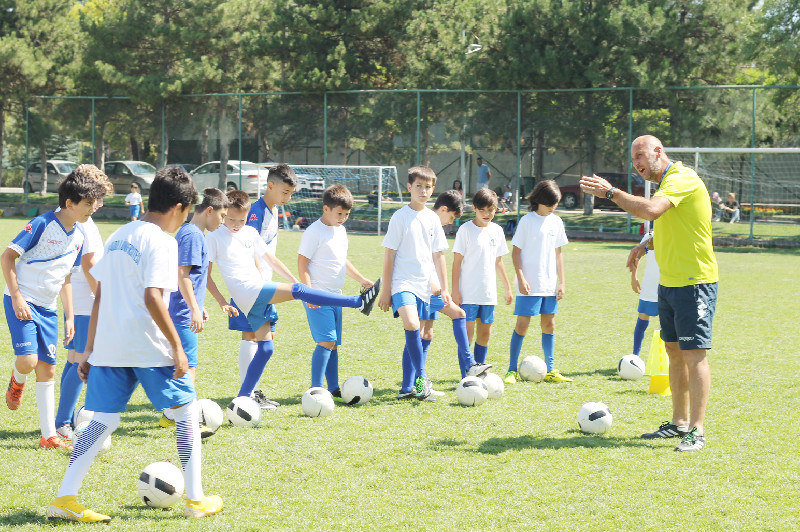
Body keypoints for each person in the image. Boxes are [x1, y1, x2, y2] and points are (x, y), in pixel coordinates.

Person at [47, 167, 223, 522]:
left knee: (102, 421)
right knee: (187, 415)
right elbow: (153, 296)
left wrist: (91, 349)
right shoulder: (162, 241)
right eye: (187, 213)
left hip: (110, 346)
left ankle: (65, 499)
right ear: (178, 207)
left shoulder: (118, 236)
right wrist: (176, 346)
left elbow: (100, 297)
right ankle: (196, 500)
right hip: (147, 346)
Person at [580, 134, 718, 452]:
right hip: (669, 283)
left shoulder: (681, 177)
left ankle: (697, 430)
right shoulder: (666, 183)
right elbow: (674, 225)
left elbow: (653, 211)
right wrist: (644, 245)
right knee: (673, 351)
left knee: (694, 355)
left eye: (641, 156)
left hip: (695, 282)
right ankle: (679, 422)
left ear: (658, 152)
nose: (637, 164)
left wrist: (611, 192)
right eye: (633, 160)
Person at [206, 190, 380, 404]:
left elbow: (271, 260)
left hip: (256, 290)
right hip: (246, 292)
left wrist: (293, 280)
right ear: (223, 214)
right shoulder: (214, 236)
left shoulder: (250, 233)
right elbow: (205, 274)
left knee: (267, 348)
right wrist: (222, 301)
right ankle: (358, 302)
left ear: (248, 215)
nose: (235, 223)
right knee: (298, 293)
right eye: (230, 218)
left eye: (241, 219)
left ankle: (243, 399)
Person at [3, 171, 105, 451]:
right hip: (22, 301)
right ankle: (17, 378)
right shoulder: (42, 223)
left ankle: (49, 435)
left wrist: (69, 316)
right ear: (70, 203)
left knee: (48, 369)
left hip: (47, 308)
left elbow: (67, 278)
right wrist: (17, 297)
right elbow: (7, 257)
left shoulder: (80, 234)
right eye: (88, 204)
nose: (92, 209)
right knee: (28, 361)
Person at [378, 168, 489, 401]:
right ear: (409, 187)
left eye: (427, 187)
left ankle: (461, 367)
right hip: (403, 283)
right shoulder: (399, 217)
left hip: (426, 287)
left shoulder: (431, 219)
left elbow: (439, 255)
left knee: (443, 322)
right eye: (418, 186)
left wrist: (445, 288)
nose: (423, 191)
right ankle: (420, 380)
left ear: (433, 190)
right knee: (412, 324)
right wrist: (386, 290)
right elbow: (389, 255)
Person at [160, 188, 231, 431]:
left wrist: (199, 306)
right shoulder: (192, 235)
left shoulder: (191, 233)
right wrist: (193, 309)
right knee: (188, 366)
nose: (222, 222)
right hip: (181, 313)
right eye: (222, 216)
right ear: (209, 210)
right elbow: (183, 275)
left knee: (183, 364)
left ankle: (173, 414)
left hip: (183, 311)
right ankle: (181, 418)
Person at [54, 165, 114, 442]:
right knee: (83, 360)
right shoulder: (84, 222)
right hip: (85, 297)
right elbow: (89, 264)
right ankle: (63, 422)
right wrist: (102, 297)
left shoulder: (80, 218)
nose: (99, 204)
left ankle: (64, 418)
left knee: (74, 360)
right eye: (97, 197)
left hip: (79, 297)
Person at [297, 184, 375, 396]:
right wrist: (308, 292)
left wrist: (361, 279)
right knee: (326, 341)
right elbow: (302, 263)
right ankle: (315, 390)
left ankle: (333, 388)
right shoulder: (314, 231)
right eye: (339, 213)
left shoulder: (341, 231)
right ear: (326, 209)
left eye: (347, 214)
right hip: (318, 295)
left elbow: (342, 261)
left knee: (334, 345)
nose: (342, 218)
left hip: (337, 296)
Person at [230, 163, 297, 410]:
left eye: (290, 193)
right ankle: (248, 395)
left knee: (265, 339)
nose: (288, 198)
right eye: (285, 192)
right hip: (252, 287)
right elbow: (250, 250)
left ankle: (251, 392)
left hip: (264, 285)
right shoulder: (256, 212)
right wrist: (259, 282)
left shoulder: (274, 210)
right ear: (270, 186)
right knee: (253, 337)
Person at [417, 191, 492, 393]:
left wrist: (443, 286)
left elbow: (438, 258)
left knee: (426, 333)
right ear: (443, 210)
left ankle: (419, 382)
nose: (450, 222)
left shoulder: (432, 224)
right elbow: (417, 257)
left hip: (431, 288)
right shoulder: (428, 224)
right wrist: (433, 282)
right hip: (422, 288)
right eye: (451, 217)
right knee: (457, 315)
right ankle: (469, 364)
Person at [504, 180, 569, 385]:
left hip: (550, 284)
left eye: (555, 204)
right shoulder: (527, 221)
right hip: (529, 284)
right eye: (550, 203)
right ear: (540, 200)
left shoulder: (556, 222)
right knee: (522, 325)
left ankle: (550, 370)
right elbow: (516, 253)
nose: (553, 207)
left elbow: (558, 254)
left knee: (549, 324)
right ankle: (511, 370)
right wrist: (521, 278)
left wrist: (562, 282)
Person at [452, 188, 513, 368]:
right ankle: (466, 374)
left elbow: (499, 261)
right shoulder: (465, 230)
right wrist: (455, 291)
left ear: (496, 209)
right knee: (468, 337)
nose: (486, 214)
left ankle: (480, 369)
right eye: (482, 210)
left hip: (488, 294)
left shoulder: (497, 231)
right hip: (468, 293)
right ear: (474, 208)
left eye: (491, 209)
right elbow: (456, 263)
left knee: (485, 335)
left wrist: (507, 288)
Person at [629, 229, 660, 357]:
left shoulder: (673, 235)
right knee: (642, 319)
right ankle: (635, 356)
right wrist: (634, 278)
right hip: (649, 285)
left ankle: (666, 359)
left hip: (668, 285)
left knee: (667, 324)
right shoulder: (650, 236)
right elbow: (637, 256)